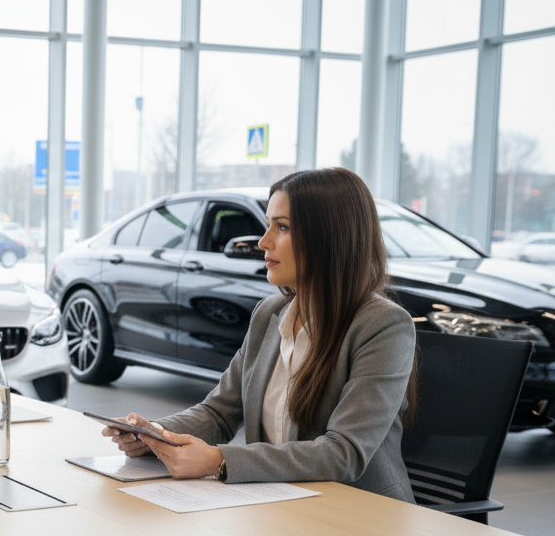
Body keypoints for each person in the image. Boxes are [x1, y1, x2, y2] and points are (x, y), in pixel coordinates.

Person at [104, 167, 418, 503]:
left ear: (329, 237)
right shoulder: (269, 313)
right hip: (278, 503)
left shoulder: (384, 326)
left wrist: (220, 460)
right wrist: (155, 434)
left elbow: (343, 453)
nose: (263, 241)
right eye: (268, 224)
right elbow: (218, 412)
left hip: (361, 513)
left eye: (281, 227)